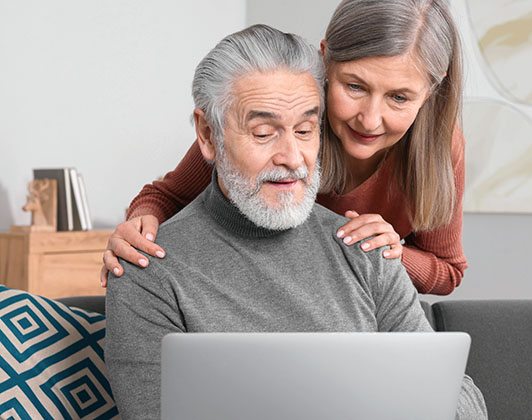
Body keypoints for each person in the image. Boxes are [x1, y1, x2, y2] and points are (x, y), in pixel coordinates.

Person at [105, 24, 487, 419]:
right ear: (208, 134)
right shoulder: (146, 272)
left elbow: (457, 395)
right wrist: (140, 221)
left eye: (306, 130)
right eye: (264, 132)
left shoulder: (368, 251)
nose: (293, 157)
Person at [100, 0, 468, 295]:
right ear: (325, 59)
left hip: (357, 308)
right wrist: (138, 225)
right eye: (355, 87)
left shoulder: (438, 144)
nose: (370, 120)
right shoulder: (283, 116)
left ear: (433, 90)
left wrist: (389, 251)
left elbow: (448, 271)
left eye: (399, 98)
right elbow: (169, 196)